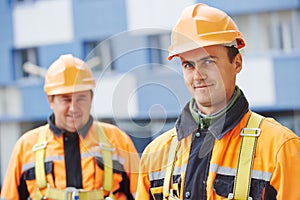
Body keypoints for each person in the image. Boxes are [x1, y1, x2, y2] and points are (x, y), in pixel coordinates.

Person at [136, 3, 300, 200]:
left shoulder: (280, 148)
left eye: (208, 61)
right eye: (188, 65)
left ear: (237, 63)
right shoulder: (155, 155)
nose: (198, 75)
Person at [1, 54, 140, 200]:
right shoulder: (26, 146)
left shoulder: (117, 140)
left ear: (91, 98)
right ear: (51, 100)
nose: (74, 108)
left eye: (81, 98)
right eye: (65, 99)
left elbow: (141, 194)